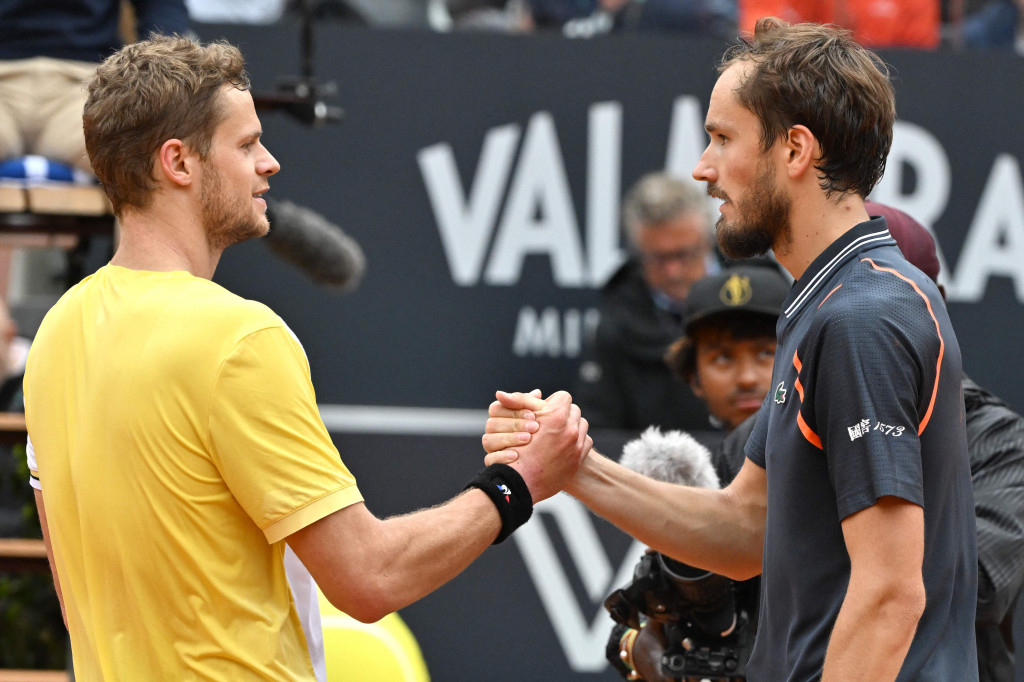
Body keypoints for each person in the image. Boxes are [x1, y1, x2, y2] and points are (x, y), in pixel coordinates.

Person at [22, 35, 590, 680]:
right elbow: (368, 578)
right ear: (178, 162)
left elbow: (74, 595)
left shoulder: (55, 333)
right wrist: (520, 483)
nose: (270, 163)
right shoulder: (237, 339)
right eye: (245, 145)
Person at [486, 17, 978, 680]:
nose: (703, 168)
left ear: (796, 150)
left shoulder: (862, 317)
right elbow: (746, 532)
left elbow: (890, 594)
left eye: (722, 138)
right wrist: (572, 466)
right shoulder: (835, 302)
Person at [867, 200, 1024, 682]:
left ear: (935, 302)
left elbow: (975, 586)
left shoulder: (998, 441)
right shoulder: (780, 423)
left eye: (882, 300)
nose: (857, 326)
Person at [575, 172, 718, 431]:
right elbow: (600, 432)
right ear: (639, 253)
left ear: (708, 242)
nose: (673, 271)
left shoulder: (762, 295)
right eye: (658, 258)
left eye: (683, 254)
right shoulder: (617, 324)